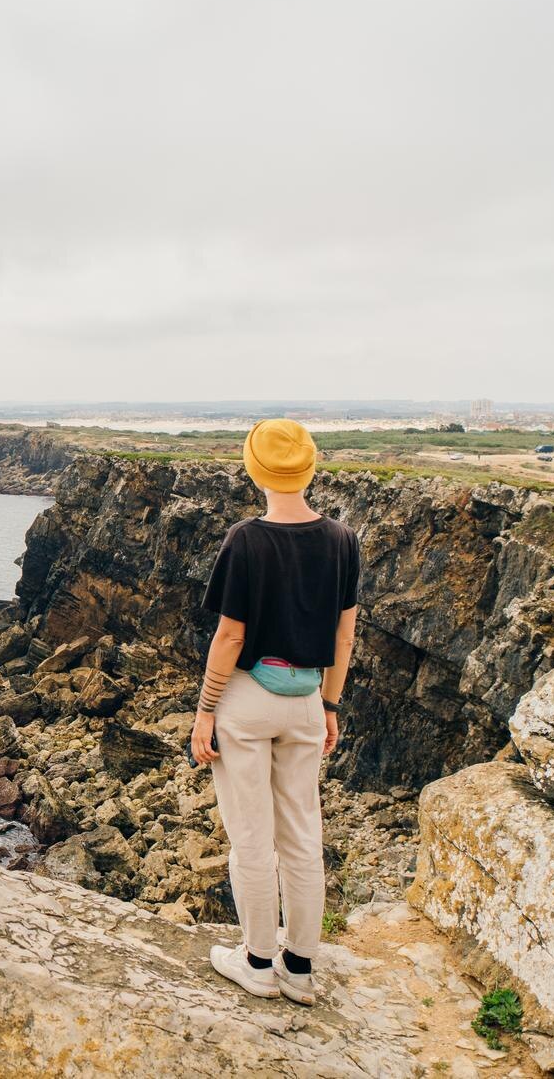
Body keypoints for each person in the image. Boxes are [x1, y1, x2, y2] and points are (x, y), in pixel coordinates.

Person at [189, 418, 359, 1005]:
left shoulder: (247, 539)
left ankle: (258, 963)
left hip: (246, 701)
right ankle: (302, 969)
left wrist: (205, 710)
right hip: (308, 699)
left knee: (252, 840)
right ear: (309, 468)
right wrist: (330, 704)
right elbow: (344, 637)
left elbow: (230, 637)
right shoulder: (342, 540)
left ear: (253, 469)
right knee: (303, 838)